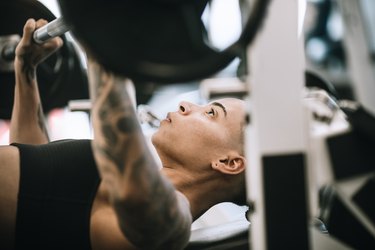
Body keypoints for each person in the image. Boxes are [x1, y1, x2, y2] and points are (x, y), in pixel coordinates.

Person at [0, 18, 247, 250]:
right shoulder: (125, 184)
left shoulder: (173, 222)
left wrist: (101, 35)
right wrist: (27, 69)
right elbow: (32, 174)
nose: (186, 106)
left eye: (211, 113)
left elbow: (120, 143)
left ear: (228, 162)